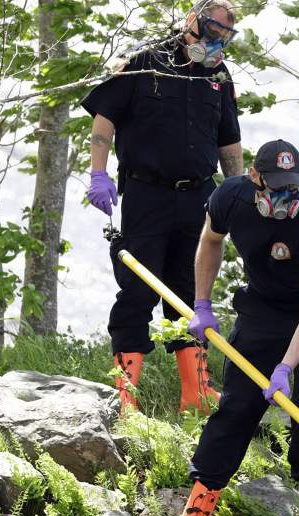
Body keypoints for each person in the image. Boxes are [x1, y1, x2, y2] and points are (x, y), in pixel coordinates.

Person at [167, 139, 299, 516]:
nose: (284, 199)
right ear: (255, 178)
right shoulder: (230, 197)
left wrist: (286, 367)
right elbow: (209, 242)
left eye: (292, 190)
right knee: (237, 405)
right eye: (276, 189)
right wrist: (202, 304)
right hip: (264, 307)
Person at [81, 1, 244, 414]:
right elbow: (104, 120)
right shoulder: (144, 62)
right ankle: (125, 397)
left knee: (190, 297)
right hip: (146, 195)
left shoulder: (219, 76)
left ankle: (196, 392)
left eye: (224, 35)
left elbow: (229, 142)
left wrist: (238, 192)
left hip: (198, 199)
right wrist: (97, 173)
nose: (215, 40)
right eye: (211, 30)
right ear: (192, 19)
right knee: (136, 293)